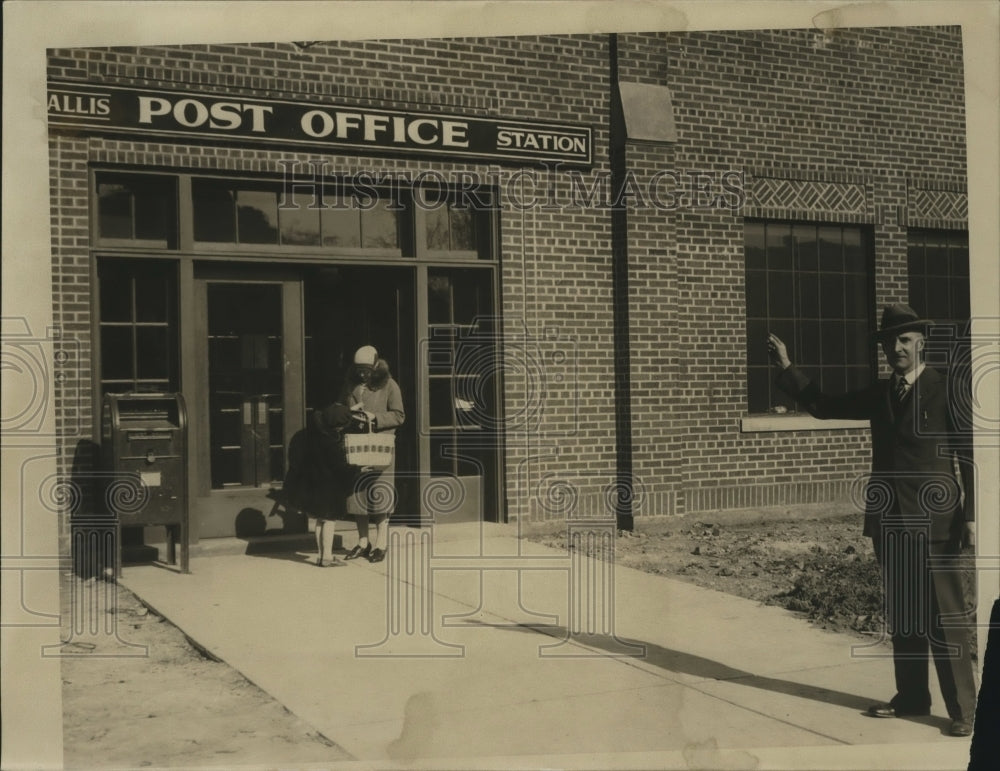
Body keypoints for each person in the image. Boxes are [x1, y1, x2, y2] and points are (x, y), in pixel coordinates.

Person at [767, 303, 976, 737]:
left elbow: (969, 457)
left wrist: (972, 516)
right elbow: (823, 406)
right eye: (889, 342)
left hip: (937, 522)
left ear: (921, 342)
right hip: (890, 521)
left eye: (904, 340)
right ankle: (913, 696)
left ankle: (965, 711)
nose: (896, 348)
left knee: (944, 615)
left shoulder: (948, 388)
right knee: (905, 613)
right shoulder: (882, 392)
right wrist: (789, 369)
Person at [343, 345, 405, 564]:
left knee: (380, 495)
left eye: (366, 369)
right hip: (358, 447)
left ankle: (381, 544)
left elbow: (399, 416)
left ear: (376, 365)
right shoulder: (352, 386)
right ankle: (362, 542)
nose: (362, 373)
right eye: (359, 369)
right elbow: (345, 412)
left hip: (380, 447)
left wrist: (374, 417)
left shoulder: (390, 385)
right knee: (357, 494)